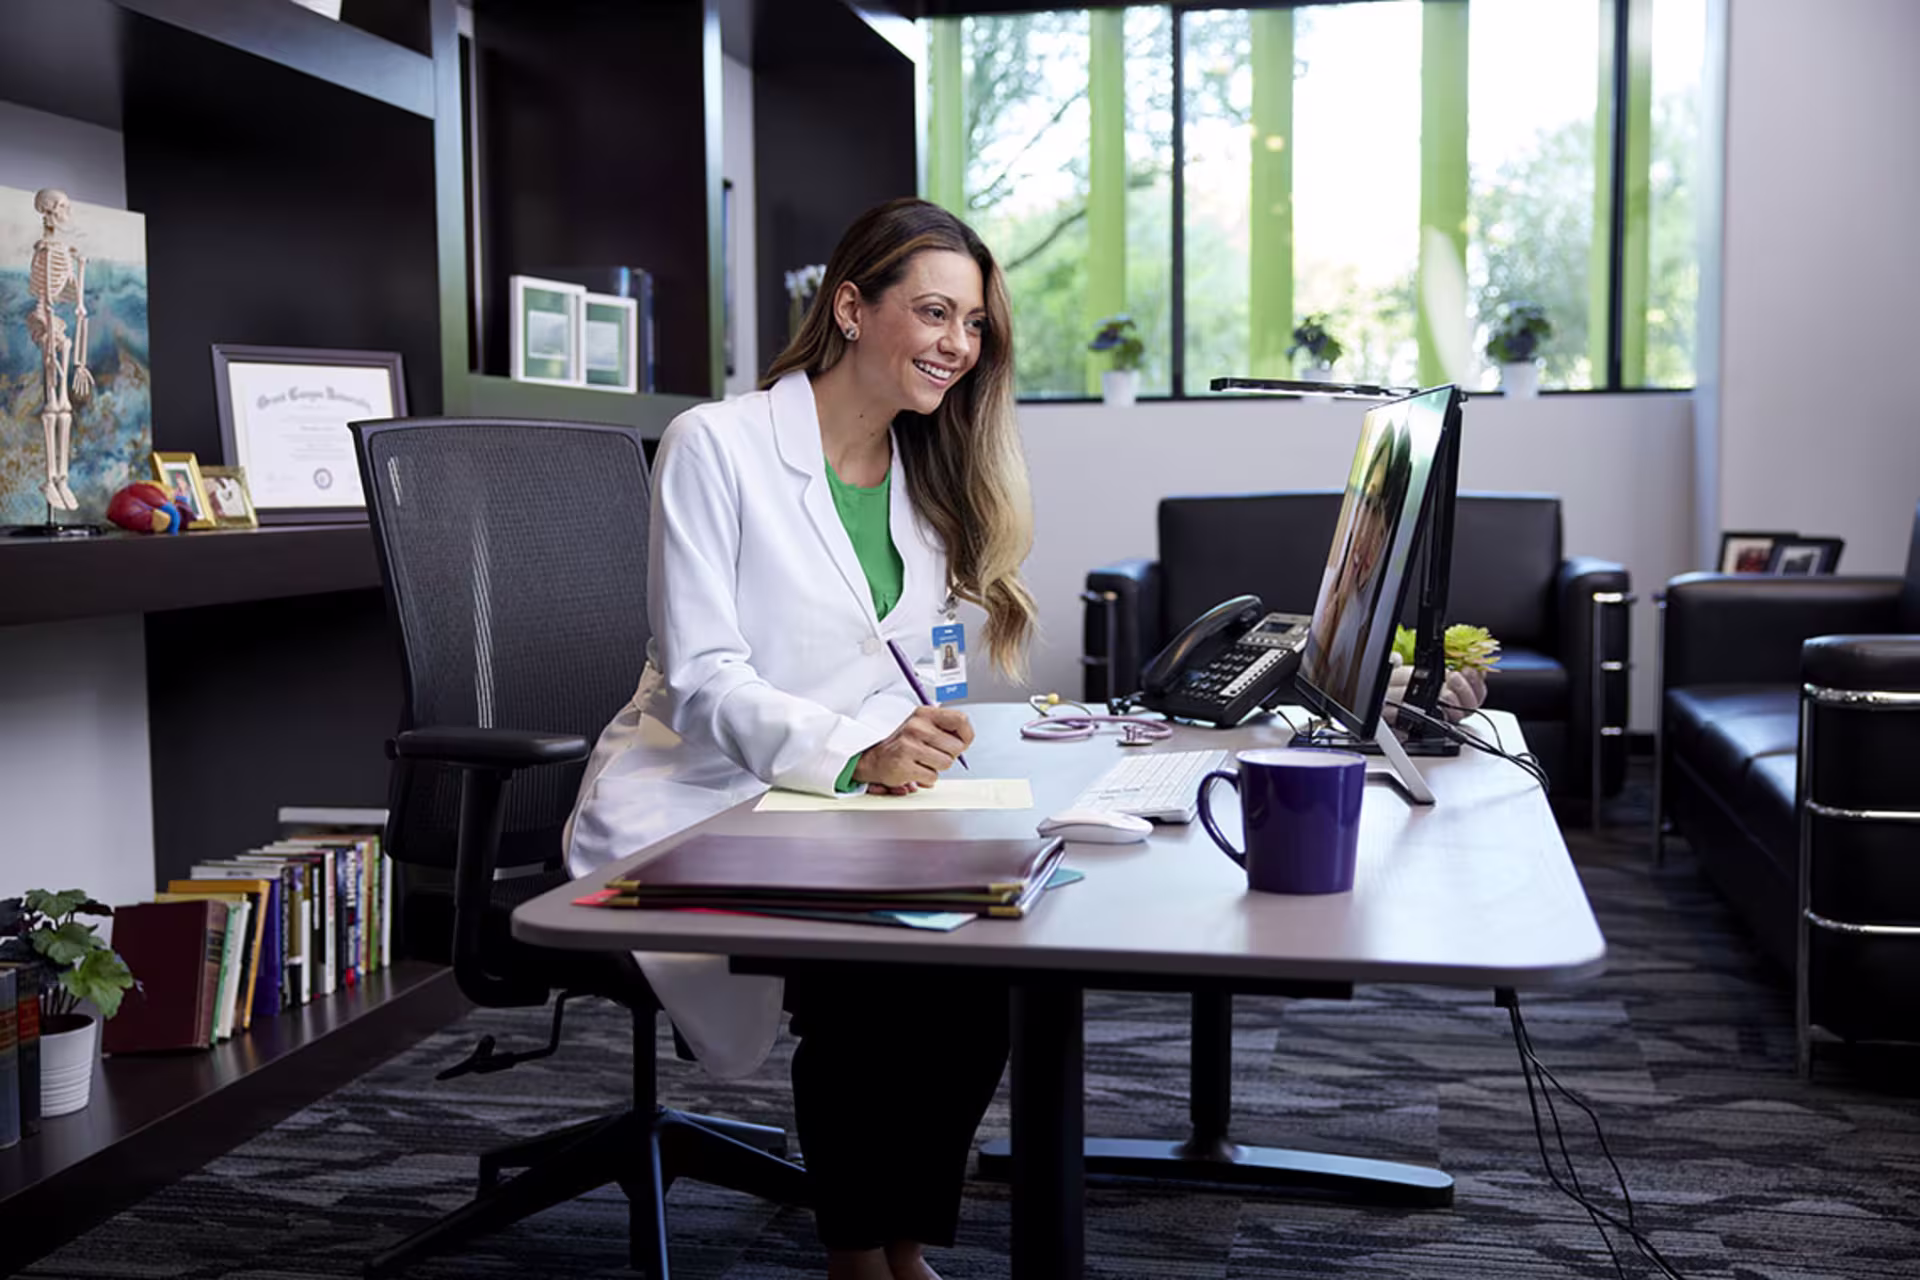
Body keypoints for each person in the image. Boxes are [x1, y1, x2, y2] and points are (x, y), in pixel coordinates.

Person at [563, 197, 1037, 1280]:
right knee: (875, 969)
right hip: (702, 791)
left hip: (850, 804)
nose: (957, 345)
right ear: (851, 307)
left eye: (972, 325)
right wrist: (856, 752)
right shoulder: (715, 443)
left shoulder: (922, 477)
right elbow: (701, 674)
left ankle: (903, 1241)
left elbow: (904, 657)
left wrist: (931, 721)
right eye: (932, 312)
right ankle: (855, 1254)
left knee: (987, 957)